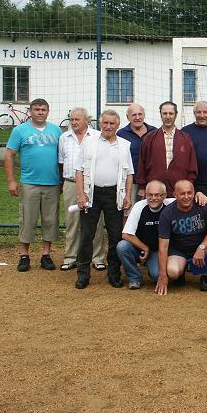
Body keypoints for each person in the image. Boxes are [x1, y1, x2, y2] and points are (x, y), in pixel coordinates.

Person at [74, 110, 133, 289]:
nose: (108, 126)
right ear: (100, 124)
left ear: (118, 125)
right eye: (105, 123)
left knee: (115, 236)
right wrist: (81, 194)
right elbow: (79, 170)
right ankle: (83, 274)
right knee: (86, 235)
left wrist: (127, 195)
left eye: (112, 124)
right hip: (92, 194)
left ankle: (114, 273)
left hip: (114, 195)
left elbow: (129, 173)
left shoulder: (124, 145)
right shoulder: (89, 142)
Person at [4, 98, 61, 272]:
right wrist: (11, 180)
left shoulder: (56, 130)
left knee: (50, 220)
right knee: (27, 219)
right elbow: (9, 155)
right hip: (29, 183)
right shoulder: (20, 130)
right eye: (37, 109)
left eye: (43, 109)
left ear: (48, 111)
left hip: (52, 183)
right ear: (30, 111)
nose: (40, 112)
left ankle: (46, 254)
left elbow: (64, 156)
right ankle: (24, 255)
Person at [155, 180, 207, 295]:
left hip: (201, 246)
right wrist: (162, 275)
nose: (186, 197)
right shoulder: (167, 213)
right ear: (175, 194)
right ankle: (181, 272)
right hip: (178, 251)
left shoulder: (202, 204)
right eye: (182, 193)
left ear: (194, 193)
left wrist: (201, 247)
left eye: (189, 193)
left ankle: (205, 276)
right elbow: (163, 247)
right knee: (172, 272)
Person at [58, 107, 106, 271]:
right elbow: (61, 162)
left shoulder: (98, 136)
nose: (74, 122)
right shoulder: (64, 137)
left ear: (87, 120)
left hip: (93, 184)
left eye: (77, 119)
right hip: (71, 183)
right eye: (71, 119)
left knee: (96, 222)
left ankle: (97, 257)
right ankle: (70, 257)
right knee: (72, 222)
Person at [137, 101, 197, 198]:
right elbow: (142, 163)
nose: (168, 117)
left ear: (176, 114)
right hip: (155, 192)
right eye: (164, 113)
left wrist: (189, 184)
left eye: (171, 113)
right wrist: (142, 187)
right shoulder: (149, 138)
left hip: (180, 191)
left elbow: (192, 165)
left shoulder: (186, 138)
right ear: (160, 114)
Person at [116, 180, 168, 289]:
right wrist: (145, 247)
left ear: (165, 195)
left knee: (156, 276)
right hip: (139, 247)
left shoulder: (170, 205)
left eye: (157, 195)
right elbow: (126, 234)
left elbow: (187, 198)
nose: (153, 198)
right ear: (145, 195)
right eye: (150, 195)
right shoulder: (139, 206)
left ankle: (151, 267)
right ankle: (134, 277)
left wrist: (199, 194)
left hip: (157, 251)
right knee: (122, 246)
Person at [117, 103, 156, 205]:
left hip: (151, 182)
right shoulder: (121, 134)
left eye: (140, 114)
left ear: (144, 115)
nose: (137, 118)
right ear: (128, 117)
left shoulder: (154, 132)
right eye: (134, 115)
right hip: (130, 183)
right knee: (128, 212)